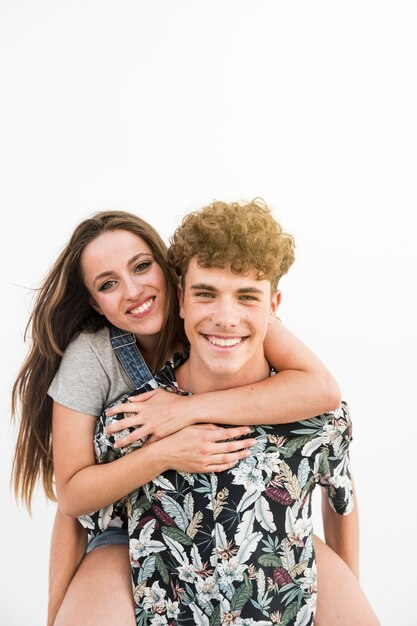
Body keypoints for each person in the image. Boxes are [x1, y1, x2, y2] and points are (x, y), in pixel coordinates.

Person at [11, 207, 342, 626]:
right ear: (94, 304)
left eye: (142, 267)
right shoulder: (91, 358)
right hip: (132, 526)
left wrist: (186, 408)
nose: (132, 291)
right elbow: (72, 500)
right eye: (109, 284)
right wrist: (165, 452)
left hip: (239, 518)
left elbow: (323, 390)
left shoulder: (223, 317)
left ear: (169, 271)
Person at [87, 201, 379, 625]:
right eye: (206, 294)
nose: (226, 318)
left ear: (273, 305)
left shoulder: (321, 418)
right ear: (182, 299)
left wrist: (347, 590)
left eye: (247, 297)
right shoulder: (133, 420)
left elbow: (342, 502)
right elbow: (93, 530)